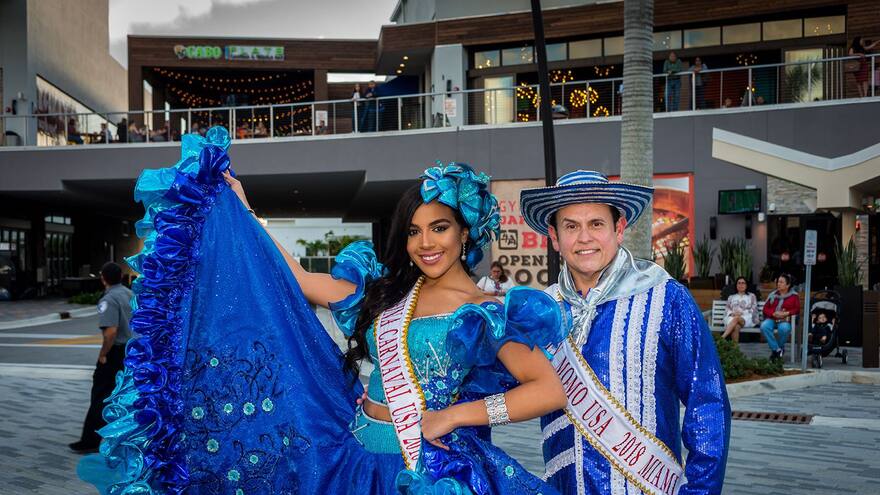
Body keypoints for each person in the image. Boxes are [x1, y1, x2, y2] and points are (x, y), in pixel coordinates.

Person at [78, 128, 568, 494]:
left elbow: (548, 389)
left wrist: (457, 415)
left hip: (427, 466)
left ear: (465, 234)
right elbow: (301, 280)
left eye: (439, 228)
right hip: (354, 452)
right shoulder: (388, 291)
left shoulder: (487, 311)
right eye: (414, 231)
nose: (425, 243)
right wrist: (247, 215)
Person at [520, 170, 731, 495]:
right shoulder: (540, 310)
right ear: (554, 236)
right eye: (571, 226)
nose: (584, 238)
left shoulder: (666, 298)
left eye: (596, 224)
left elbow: (707, 403)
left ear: (619, 229)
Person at [68, 262, 133, 454]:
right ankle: (123, 437)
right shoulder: (130, 294)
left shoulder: (109, 299)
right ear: (121, 277)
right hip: (131, 351)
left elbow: (111, 332)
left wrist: (103, 354)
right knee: (124, 394)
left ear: (103, 278)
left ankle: (90, 440)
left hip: (116, 352)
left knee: (100, 395)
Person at [760, 273, 800, 361]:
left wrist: (786, 313)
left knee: (785, 329)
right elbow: (765, 309)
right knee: (764, 326)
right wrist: (773, 313)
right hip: (772, 318)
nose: (778, 284)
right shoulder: (773, 295)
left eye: (781, 282)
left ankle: (778, 349)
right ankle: (777, 350)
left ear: (788, 285)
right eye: (778, 282)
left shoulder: (794, 296)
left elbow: (797, 309)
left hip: (784, 320)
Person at [722, 276, 758, 342]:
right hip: (732, 317)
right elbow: (727, 309)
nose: (741, 285)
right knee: (736, 327)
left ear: (746, 285)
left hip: (747, 318)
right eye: (739, 283)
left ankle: (722, 337)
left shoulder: (752, 296)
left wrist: (742, 313)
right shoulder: (731, 297)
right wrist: (732, 313)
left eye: (743, 283)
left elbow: (754, 309)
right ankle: (735, 349)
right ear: (736, 285)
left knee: (737, 318)